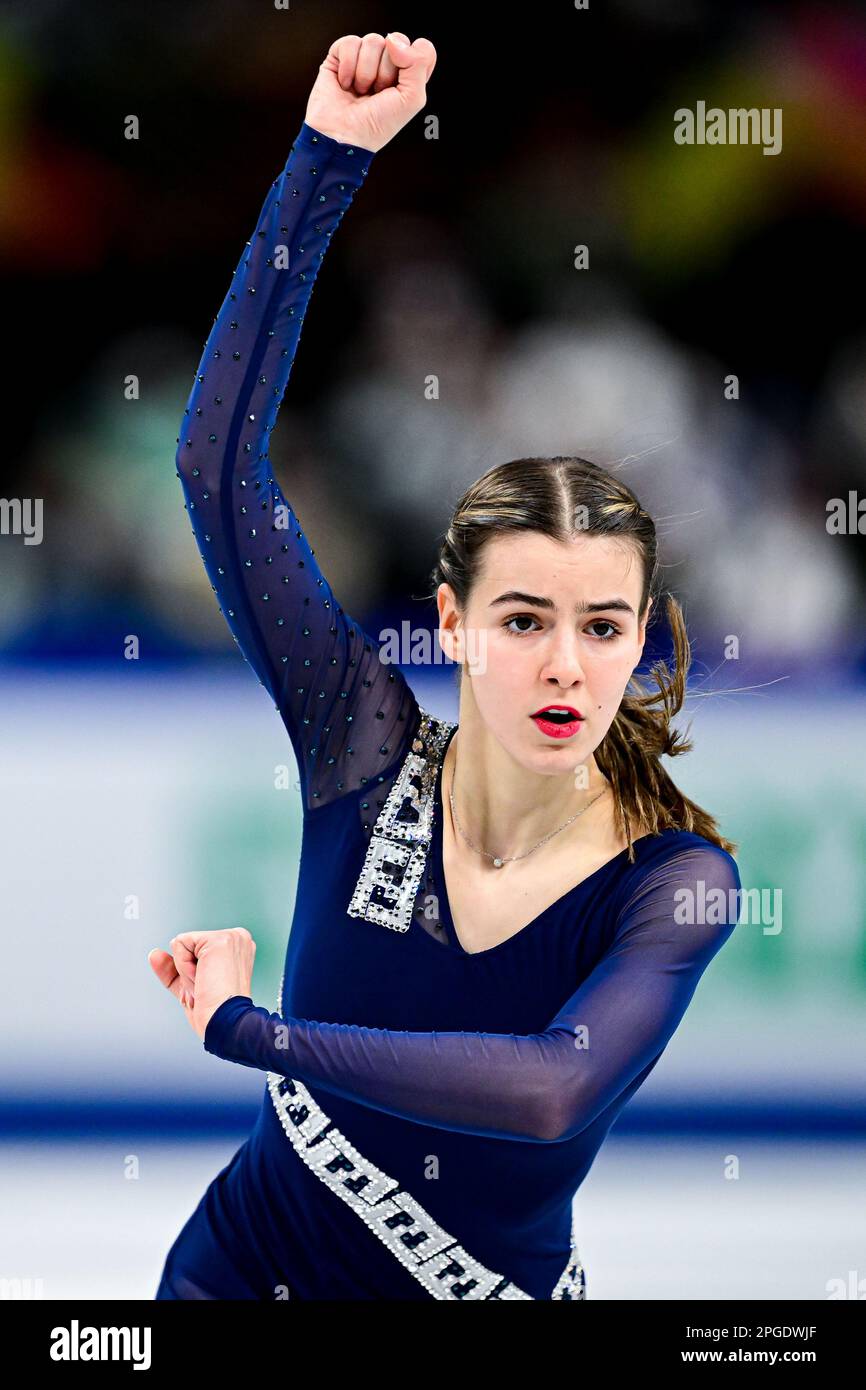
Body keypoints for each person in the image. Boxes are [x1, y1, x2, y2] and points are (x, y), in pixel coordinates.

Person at [149, 31, 741, 1301]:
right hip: (234, 1279)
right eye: (521, 619)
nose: (562, 667)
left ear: (638, 640)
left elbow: (549, 1090)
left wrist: (255, 1034)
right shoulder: (359, 748)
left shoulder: (678, 881)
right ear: (453, 623)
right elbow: (217, 469)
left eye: (600, 627)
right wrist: (324, 161)